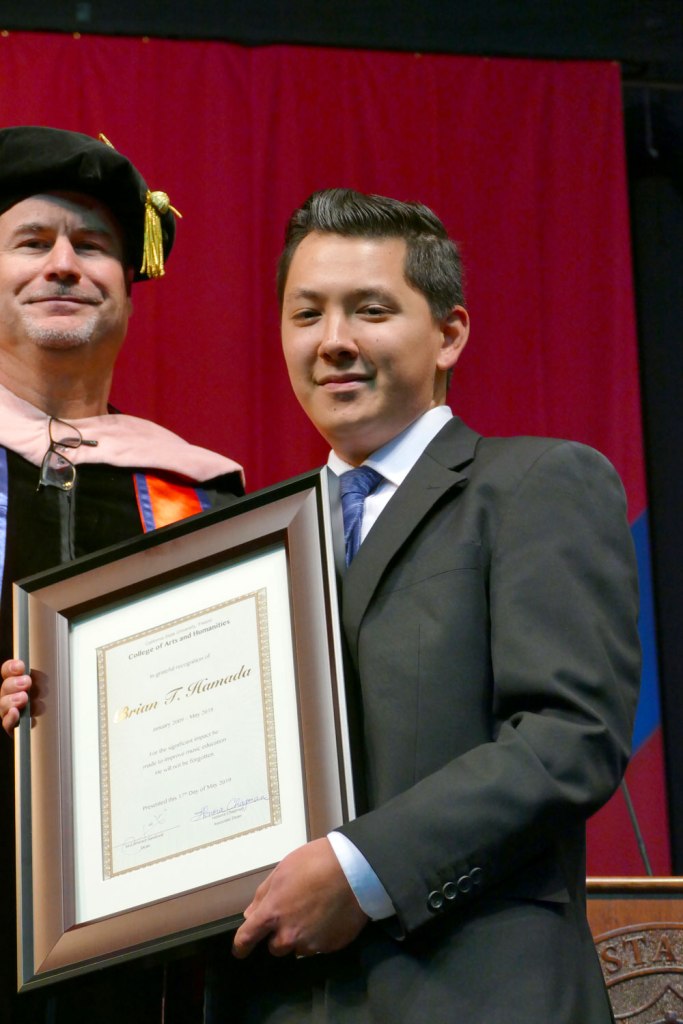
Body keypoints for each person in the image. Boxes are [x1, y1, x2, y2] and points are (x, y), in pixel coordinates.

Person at [205, 188, 641, 1021]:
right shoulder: (246, 541)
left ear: (448, 333)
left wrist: (359, 869)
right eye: (306, 315)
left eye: (369, 310)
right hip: (279, 999)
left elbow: (569, 736)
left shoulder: (535, 485)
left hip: (474, 989)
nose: (333, 343)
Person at [0, 126, 243, 1024]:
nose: (64, 265)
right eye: (32, 243)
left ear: (129, 289)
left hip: (149, 951)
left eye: (94, 246)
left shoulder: (197, 492)